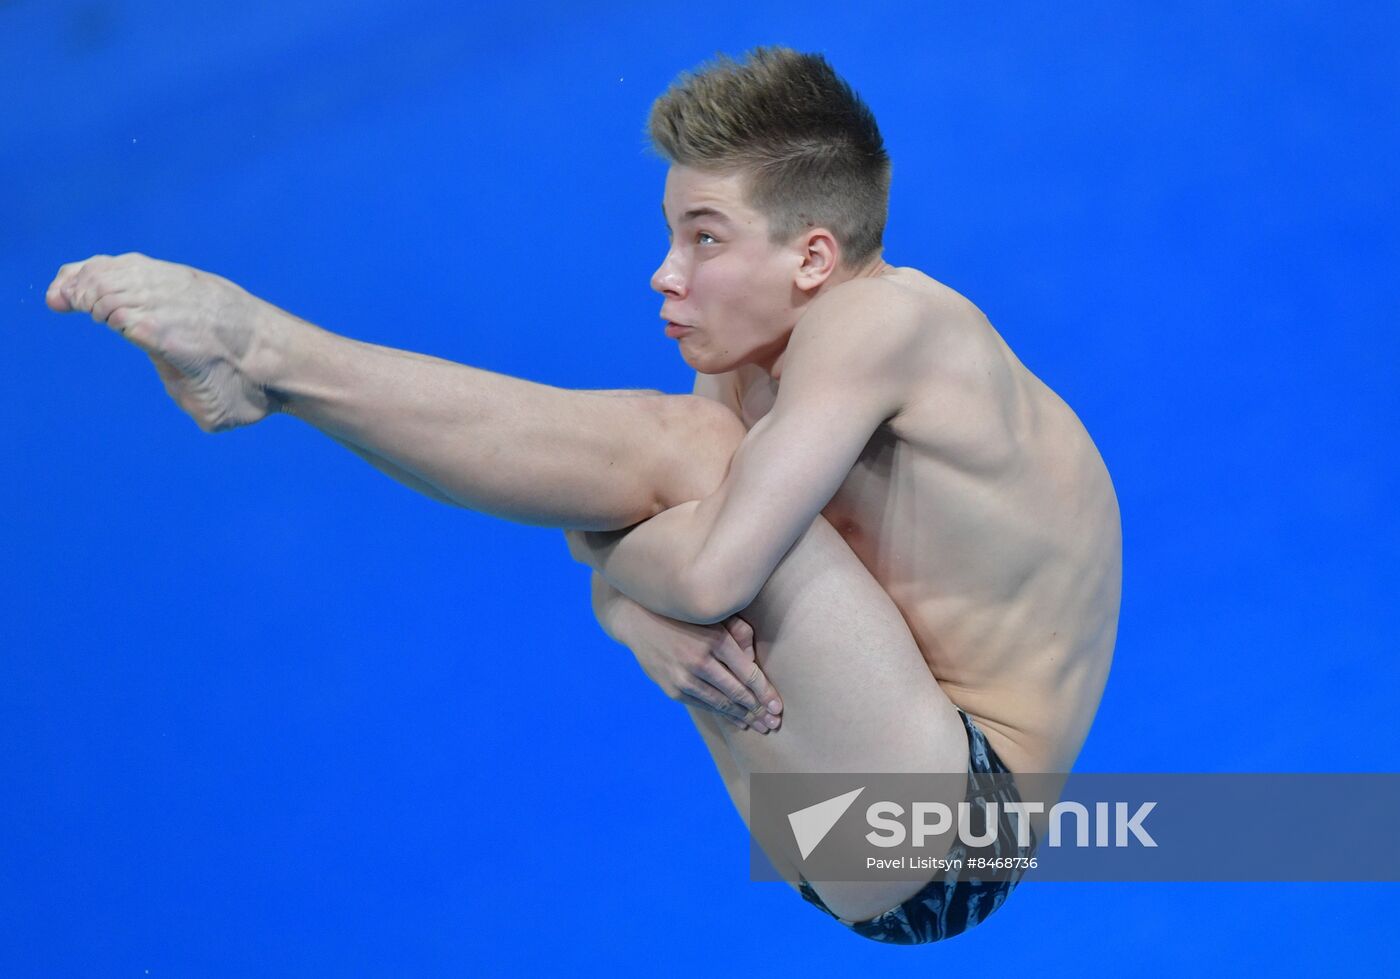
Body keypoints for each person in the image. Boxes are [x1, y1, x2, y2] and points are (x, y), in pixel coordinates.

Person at [45, 47, 1121, 943]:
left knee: (691, 456)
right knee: (686, 458)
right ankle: (269, 368)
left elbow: (696, 566)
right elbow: (623, 535)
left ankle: (268, 355)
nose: (664, 271)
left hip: (950, 827)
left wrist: (628, 602)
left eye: (703, 237)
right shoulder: (753, 352)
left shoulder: (884, 323)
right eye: (668, 233)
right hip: (855, 798)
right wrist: (628, 604)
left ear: (811, 255)